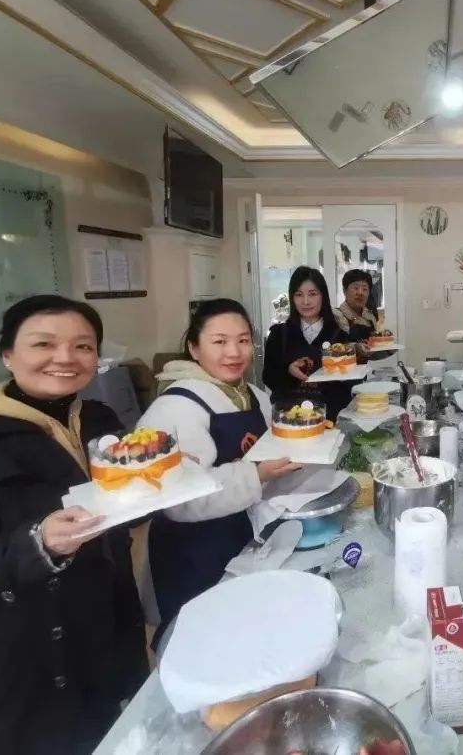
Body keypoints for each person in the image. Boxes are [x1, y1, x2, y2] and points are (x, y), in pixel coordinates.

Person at [0, 295, 148, 755]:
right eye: (43, 344)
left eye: (83, 346)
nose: (65, 358)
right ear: (7, 355)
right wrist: (37, 545)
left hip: (97, 642)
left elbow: (119, 513)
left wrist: (158, 483)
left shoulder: (98, 419)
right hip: (11, 668)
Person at [140, 298, 303, 643]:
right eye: (219, 341)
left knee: (245, 635)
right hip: (194, 551)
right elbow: (178, 499)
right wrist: (256, 475)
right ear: (193, 349)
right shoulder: (175, 407)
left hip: (242, 534)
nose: (234, 352)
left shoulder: (252, 395)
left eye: (243, 340)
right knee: (202, 640)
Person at [263, 266, 351, 420]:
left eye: (312, 294)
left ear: (323, 296)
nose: (305, 301)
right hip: (289, 420)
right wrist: (288, 371)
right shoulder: (279, 334)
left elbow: (350, 383)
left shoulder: (340, 336)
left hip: (330, 420)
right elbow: (268, 376)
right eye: (299, 294)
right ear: (292, 298)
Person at [332, 268, 377, 340]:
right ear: (344, 291)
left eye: (365, 289)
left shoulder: (370, 317)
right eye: (356, 288)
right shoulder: (335, 316)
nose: (360, 293)